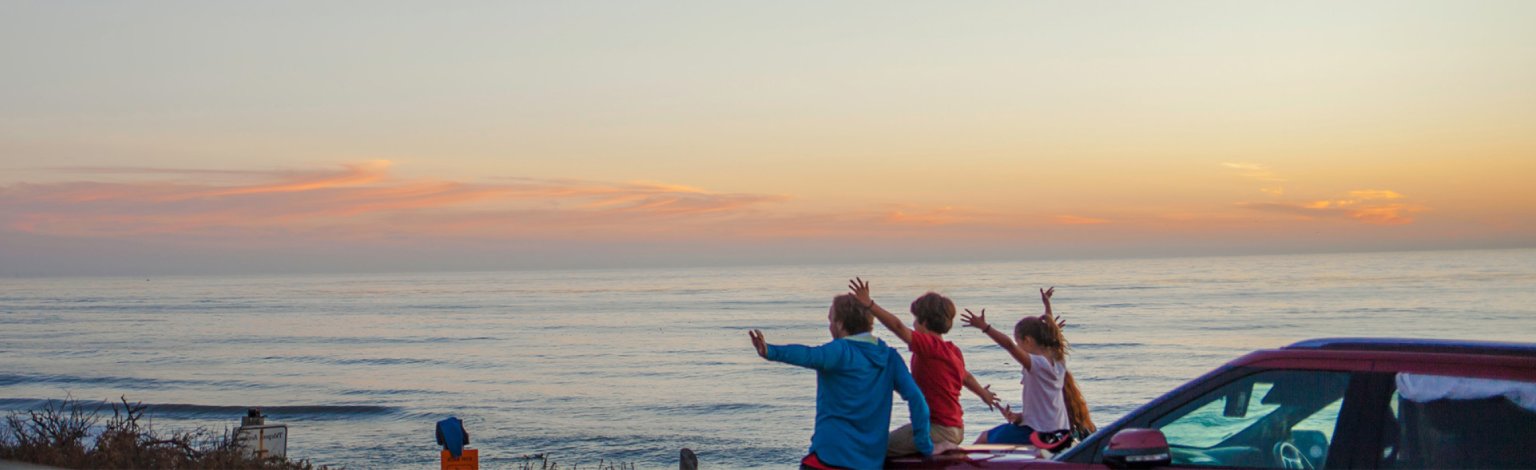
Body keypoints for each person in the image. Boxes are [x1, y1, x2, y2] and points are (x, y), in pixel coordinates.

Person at [749, 293, 940, 469]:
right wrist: (924, 446)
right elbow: (917, 400)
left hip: (829, 459)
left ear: (840, 324)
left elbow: (808, 355)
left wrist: (770, 351)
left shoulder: (840, 351)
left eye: (831, 320)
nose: (830, 326)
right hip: (869, 464)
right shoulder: (889, 357)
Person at [847, 277, 1000, 456]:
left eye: (915, 319)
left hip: (938, 430)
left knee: (872, 447)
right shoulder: (952, 351)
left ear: (925, 322)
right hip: (954, 428)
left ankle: (938, 448)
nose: (913, 324)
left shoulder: (930, 347)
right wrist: (983, 394)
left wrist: (870, 305)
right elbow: (966, 377)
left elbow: (898, 327)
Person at [960, 287, 1095, 452]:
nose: (1018, 346)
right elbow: (1052, 333)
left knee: (983, 439)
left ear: (1028, 340)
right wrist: (1020, 417)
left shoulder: (1037, 364)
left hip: (1039, 434)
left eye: (1019, 342)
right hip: (1059, 432)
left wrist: (985, 327)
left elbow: (1008, 345)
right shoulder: (1058, 359)